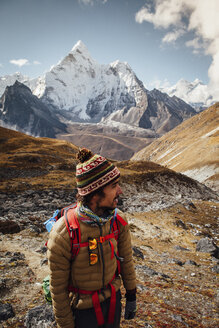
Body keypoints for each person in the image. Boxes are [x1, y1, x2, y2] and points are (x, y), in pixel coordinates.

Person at [47, 148, 137, 328]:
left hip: (113, 304)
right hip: (82, 313)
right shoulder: (63, 233)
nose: (120, 191)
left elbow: (126, 261)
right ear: (95, 193)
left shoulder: (118, 221)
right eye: (113, 186)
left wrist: (132, 296)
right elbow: (58, 291)